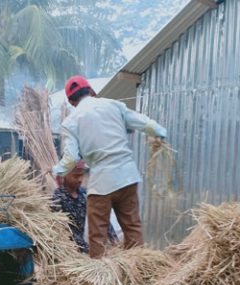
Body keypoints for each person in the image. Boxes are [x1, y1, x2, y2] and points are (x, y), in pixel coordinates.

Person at [52, 75, 167, 258]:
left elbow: (71, 158)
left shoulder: (70, 122)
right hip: (128, 177)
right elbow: (142, 122)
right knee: (132, 228)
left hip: (102, 184)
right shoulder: (114, 105)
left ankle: (100, 278)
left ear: (72, 102)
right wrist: (160, 132)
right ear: (91, 91)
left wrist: (57, 171)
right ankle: (138, 271)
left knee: (98, 235)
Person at [51, 161, 117, 253]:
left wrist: (115, 242)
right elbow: (65, 231)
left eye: (82, 175)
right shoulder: (57, 198)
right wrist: (87, 250)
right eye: (76, 176)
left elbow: (101, 217)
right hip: (66, 250)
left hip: (83, 248)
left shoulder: (84, 194)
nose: (80, 180)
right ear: (64, 174)